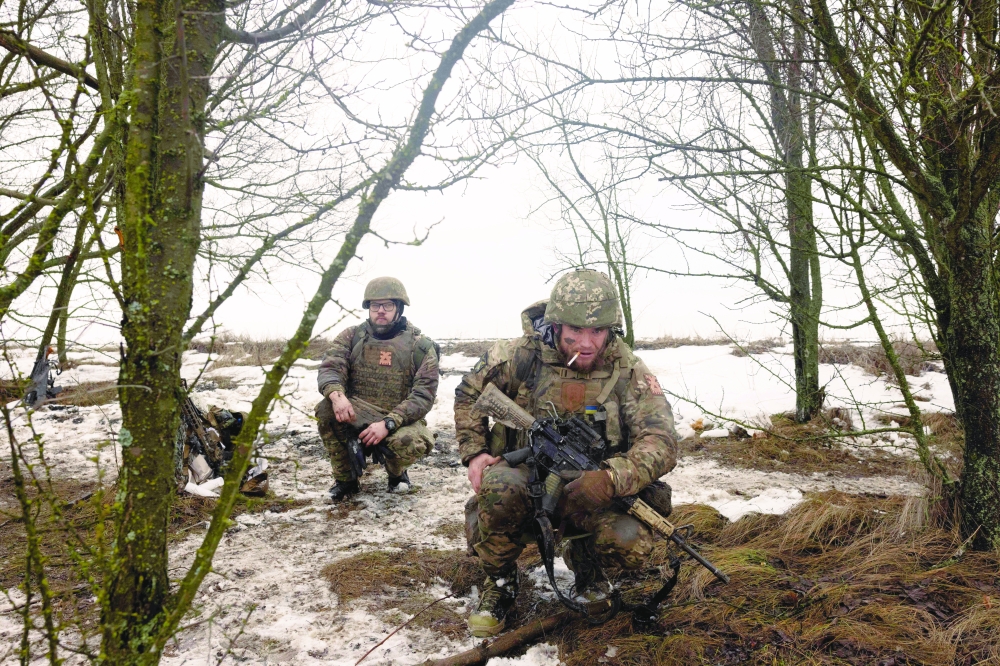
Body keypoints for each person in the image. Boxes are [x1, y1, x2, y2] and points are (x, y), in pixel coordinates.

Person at [454, 269, 679, 637]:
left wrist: (612, 477)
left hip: (592, 482)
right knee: (498, 492)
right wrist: (475, 452)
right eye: (575, 331)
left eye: (598, 331)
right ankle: (501, 583)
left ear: (611, 328)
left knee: (630, 543)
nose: (586, 344)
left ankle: (588, 566)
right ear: (556, 324)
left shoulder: (628, 369)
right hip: (525, 474)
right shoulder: (520, 355)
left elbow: (661, 438)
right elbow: (468, 392)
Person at [315, 277, 439, 501]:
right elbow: (331, 367)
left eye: (387, 305)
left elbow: (423, 395)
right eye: (375, 305)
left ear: (399, 308)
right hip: (358, 412)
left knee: (408, 442)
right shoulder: (352, 336)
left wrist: (389, 423)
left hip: (400, 419)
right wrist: (337, 396)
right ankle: (346, 480)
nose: (380, 311)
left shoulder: (420, 346)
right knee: (326, 410)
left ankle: (397, 474)